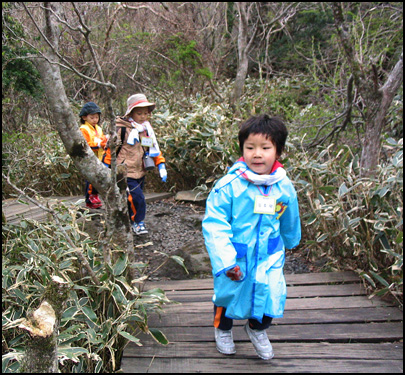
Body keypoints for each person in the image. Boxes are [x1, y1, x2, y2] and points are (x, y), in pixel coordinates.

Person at [202, 114, 301, 360]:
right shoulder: (230, 185)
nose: (257, 154)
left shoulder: (283, 185)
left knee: (273, 293)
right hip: (238, 255)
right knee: (227, 294)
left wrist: (290, 240)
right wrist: (226, 260)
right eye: (250, 148)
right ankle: (222, 329)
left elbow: (290, 214)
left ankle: (257, 328)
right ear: (242, 150)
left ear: (278, 150)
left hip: (269, 254)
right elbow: (215, 223)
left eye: (265, 148)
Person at [103, 93, 167, 235]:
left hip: (140, 170)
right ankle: (138, 223)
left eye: (146, 113)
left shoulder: (144, 129)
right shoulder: (122, 129)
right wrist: (106, 167)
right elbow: (110, 150)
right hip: (125, 171)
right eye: (139, 113)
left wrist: (160, 164)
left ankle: (130, 221)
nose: (143, 116)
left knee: (131, 199)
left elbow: (151, 147)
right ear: (131, 113)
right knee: (138, 198)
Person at [79, 102, 108, 209]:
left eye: (97, 117)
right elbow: (85, 144)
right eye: (92, 117)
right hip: (89, 157)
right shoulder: (84, 129)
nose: (95, 119)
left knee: (98, 177)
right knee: (91, 179)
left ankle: (95, 196)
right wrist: (98, 144)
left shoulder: (98, 128)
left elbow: (101, 139)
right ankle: (90, 198)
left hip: (99, 157)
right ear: (84, 117)